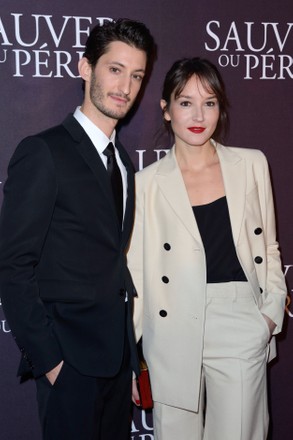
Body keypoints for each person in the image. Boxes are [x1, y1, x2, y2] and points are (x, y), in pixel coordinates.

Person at [0, 18, 155, 440]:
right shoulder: (44, 152)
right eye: (115, 69)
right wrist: (51, 363)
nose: (125, 85)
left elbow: (113, 269)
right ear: (85, 68)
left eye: (136, 75)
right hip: (69, 366)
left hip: (115, 365)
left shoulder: (123, 164)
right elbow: (14, 266)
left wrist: (129, 361)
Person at [129, 57, 287, 440]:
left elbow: (268, 244)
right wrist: (134, 360)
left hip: (239, 320)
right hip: (169, 328)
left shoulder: (251, 164)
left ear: (220, 108)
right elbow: (136, 274)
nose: (199, 114)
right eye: (185, 102)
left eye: (210, 102)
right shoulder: (145, 183)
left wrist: (267, 316)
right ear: (166, 110)